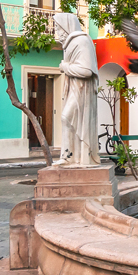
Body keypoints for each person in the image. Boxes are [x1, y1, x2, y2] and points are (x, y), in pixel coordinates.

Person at [54, 12, 100, 166]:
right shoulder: (70, 44)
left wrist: (65, 67)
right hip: (74, 88)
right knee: (67, 119)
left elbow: (86, 71)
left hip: (81, 90)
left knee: (66, 118)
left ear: (67, 27)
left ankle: (74, 157)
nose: (57, 33)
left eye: (59, 29)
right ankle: (70, 157)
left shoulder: (81, 42)